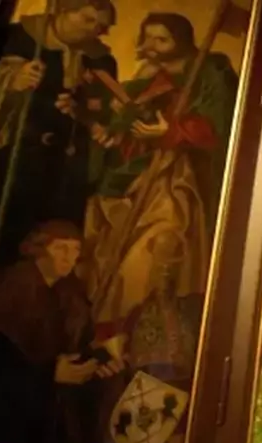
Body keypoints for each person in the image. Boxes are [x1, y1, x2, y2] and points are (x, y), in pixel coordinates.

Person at [81, 12, 238, 369]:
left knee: (154, 251)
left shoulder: (210, 71)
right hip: (136, 180)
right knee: (109, 251)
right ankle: (110, 333)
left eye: (161, 39)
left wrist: (172, 132)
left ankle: (144, 332)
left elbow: (218, 125)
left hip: (178, 180)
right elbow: (122, 124)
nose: (151, 46)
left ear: (181, 41)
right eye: (147, 38)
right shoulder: (150, 79)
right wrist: (113, 131)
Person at [0, 0, 118, 269]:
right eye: (88, 20)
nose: (95, 30)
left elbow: (106, 112)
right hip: (17, 156)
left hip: (68, 165)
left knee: (55, 230)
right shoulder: (17, 38)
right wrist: (13, 80)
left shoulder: (101, 60)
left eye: (102, 26)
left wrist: (83, 112)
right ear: (62, 10)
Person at [0, 221, 120, 443]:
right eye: (61, 248)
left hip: (54, 409)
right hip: (12, 414)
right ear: (38, 249)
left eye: (75, 251)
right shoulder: (12, 286)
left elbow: (80, 344)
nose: (69, 258)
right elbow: (1, 361)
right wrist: (49, 374)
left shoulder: (71, 292)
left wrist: (99, 360)